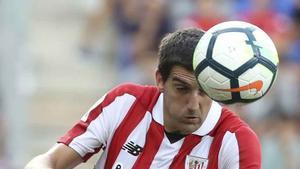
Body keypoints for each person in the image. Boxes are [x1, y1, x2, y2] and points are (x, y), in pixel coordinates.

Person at [25, 28, 261, 169]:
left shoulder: (236, 140)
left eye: (204, 91)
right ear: (160, 79)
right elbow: (51, 162)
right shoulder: (125, 102)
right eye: (182, 88)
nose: (193, 104)